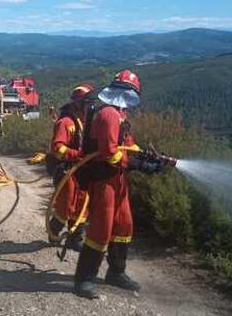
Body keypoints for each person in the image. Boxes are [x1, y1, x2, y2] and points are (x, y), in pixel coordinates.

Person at [74, 69, 165, 299]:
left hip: (118, 180)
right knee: (100, 229)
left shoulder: (119, 114)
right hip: (105, 180)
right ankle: (84, 279)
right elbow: (109, 153)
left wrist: (147, 158)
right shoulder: (108, 115)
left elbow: (127, 145)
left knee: (124, 225)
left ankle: (116, 272)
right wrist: (136, 164)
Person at [47, 83, 95, 251]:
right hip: (66, 169)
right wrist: (78, 155)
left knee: (82, 203)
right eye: (87, 104)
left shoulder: (83, 121)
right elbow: (57, 148)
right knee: (66, 205)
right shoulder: (66, 122)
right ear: (78, 104)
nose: (90, 107)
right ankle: (54, 231)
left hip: (80, 169)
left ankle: (75, 239)